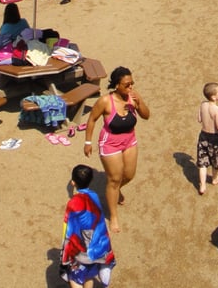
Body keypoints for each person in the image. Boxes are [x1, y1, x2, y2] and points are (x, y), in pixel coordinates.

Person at [83, 67, 150, 233]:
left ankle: (115, 189)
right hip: (110, 143)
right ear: (117, 85)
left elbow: (146, 116)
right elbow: (92, 119)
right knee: (114, 179)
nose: (130, 88)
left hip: (129, 140)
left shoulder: (133, 98)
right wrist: (88, 142)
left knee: (129, 175)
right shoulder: (106, 101)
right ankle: (113, 216)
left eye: (132, 84)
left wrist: (139, 102)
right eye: (127, 85)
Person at [61, 164, 116, 288]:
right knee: (88, 276)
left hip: (80, 252)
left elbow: (69, 229)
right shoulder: (94, 196)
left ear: (73, 183)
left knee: (74, 279)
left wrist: (66, 254)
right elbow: (100, 223)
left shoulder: (73, 203)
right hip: (96, 251)